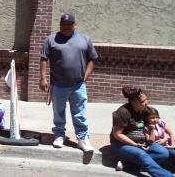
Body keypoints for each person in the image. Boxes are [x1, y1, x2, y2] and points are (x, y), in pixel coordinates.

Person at [39, 12, 98, 152]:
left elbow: (93, 58)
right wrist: (43, 78)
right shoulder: (51, 40)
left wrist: (86, 76)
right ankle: (59, 135)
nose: (66, 27)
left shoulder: (84, 39)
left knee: (79, 113)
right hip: (58, 84)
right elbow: (43, 58)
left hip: (78, 85)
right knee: (58, 112)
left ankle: (82, 139)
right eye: (63, 24)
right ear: (60, 24)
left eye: (69, 24)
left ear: (74, 25)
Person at [110, 86, 172, 176]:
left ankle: (128, 165)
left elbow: (160, 124)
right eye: (143, 101)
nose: (146, 103)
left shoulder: (145, 110)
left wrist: (165, 137)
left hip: (143, 143)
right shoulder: (122, 112)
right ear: (134, 102)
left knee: (163, 153)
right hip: (121, 144)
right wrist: (135, 145)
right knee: (142, 155)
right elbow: (117, 134)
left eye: (146, 99)